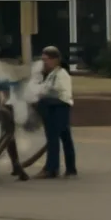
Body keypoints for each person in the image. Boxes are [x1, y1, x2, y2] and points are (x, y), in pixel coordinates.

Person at [36, 46, 77, 179]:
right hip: (51, 108)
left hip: (59, 108)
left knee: (54, 139)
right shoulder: (50, 75)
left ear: (55, 60)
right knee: (63, 138)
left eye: (46, 60)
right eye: (42, 60)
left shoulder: (61, 74)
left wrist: (46, 97)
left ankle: (52, 168)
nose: (44, 62)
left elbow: (64, 94)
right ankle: (69, 168)